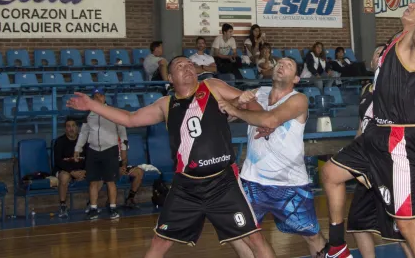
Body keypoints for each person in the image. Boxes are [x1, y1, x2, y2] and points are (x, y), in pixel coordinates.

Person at [66, 58, 276, 258]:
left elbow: (248, 101)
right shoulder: (165, 104)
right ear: (170, 78)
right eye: (179, 65)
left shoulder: (212, 86)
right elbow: (130, 119)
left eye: (190, 64)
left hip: (222, 182)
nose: (187, 67)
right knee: (160, 242)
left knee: (254, 238)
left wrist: (263, 122)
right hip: (186, 187)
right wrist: (92, 105)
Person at [320, 0, 415, 258]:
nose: (411, 5)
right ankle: (337, 246)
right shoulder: (395, 41)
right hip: (376, 133)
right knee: (331, 173)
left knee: (408, 226)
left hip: (399, 141)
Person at [218, 57, 328, 258]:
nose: (281, 66)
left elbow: (270, 119)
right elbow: (226, 115)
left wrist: (238, 109)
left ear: (295, 78)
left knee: (312, 236)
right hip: (252, 181)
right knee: (240, 234)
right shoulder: (259, 93)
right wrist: (238, 101)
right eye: (279, 63)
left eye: (288, 65)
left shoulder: (298, 99)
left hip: (289, 184)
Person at [345, 45, 415, 258]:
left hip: (389, 163)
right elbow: (362, 125)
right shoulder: (366, 89)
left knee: (400, 227)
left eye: (385, 53)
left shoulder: (397, 87)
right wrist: (353, 151)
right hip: (366, 163)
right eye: (377, 52)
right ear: (371, 62)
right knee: (357, 224)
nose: (381, 55)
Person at [75, 88, 128, 220]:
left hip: (110, 149)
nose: (98, 98)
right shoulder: (89, 114)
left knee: (111, 181)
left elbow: (122, 132)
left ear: (104, 97)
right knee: (93, 181)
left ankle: (113, 207)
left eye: (100, 96)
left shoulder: (113, 112)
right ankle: (93, 208)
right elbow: (84, 132)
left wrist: (124, 151)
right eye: (95, 96)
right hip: (93, 150)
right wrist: (78, 148)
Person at [54, 116, 86, 218]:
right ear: (65, 129)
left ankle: (92, 205)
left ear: (77, 127)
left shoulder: (84, 141)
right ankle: (63, 206)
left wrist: (85, 171)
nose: (71, 128)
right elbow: (58, 161)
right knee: (64, 177)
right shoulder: (60, 141)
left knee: (98, 175)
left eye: (73, 126)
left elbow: (90, 158)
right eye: (68, 126)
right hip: (65, 170)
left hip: (81, 170)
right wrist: (72, 172)